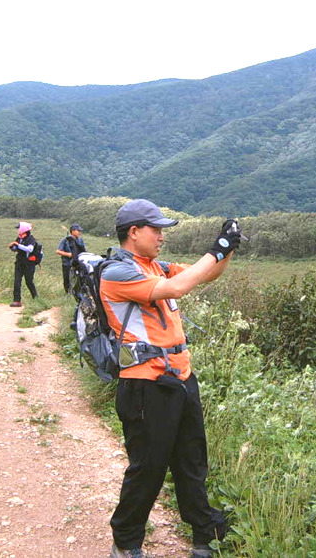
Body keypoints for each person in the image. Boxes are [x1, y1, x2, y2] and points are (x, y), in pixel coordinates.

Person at [102, 199, 241, 558]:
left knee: (191, 460)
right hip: (146, 384)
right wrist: (217, 248)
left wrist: (226, 249)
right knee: (148, 467)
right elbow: (176, 289)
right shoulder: (118, 273)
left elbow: (202, 274)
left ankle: (204, 534)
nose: (162, 236)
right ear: (133, 232)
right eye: (156, 229)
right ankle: (127, 541)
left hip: (180, 376)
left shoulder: (154, 266)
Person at [8, 221, 39, 307]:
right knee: (17, 281)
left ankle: (36, 298)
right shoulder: (19, 238)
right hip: (19, 263)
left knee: (29, 282)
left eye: (19, 228)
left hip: (29, 264)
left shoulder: (31, 239)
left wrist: (18, 245)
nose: (18, 230)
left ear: (23, 229)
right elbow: (16, 248)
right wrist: (12, 247)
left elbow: (30, 249)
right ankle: (17, 301)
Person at [55, 223, 86, 293]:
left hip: (77, 263)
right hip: (67, 263)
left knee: (78, 278)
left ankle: (78, 292)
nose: (80, 232)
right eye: (78, 231)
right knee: (67, 279)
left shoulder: (80, 240)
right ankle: (68, 293)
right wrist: (68, 254)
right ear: (72, 231)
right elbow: (58, 251)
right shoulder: (65, 240)